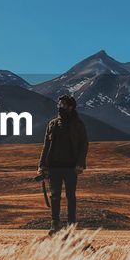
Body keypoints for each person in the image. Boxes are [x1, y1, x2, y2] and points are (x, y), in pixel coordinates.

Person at [36, 94, 88, 233]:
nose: (60, 107)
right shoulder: (52, 124)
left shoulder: (78, 125)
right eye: (59, 104)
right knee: (54, 196)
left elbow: (84, 145)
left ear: (70, 107)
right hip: (54, 167)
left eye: (63, 104)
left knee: (71, 196)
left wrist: (80, 164)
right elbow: (46, 146)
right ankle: (55, 224)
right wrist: (42, 166)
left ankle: (71, 225)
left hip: (71, 167)